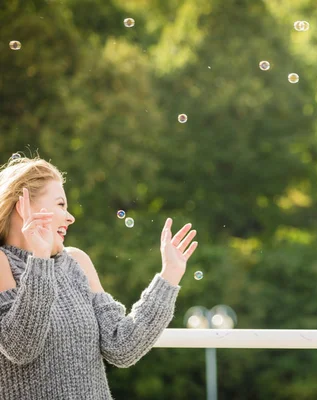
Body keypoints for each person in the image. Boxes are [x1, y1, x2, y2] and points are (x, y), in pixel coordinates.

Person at [0, 155, 198, 399]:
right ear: (25, 205)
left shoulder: (77, 262)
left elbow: (121, 347)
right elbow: (20, 347)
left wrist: (170, 273)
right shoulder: (2, 263)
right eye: (61, 205)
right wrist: (39, 261)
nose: (70, 217)